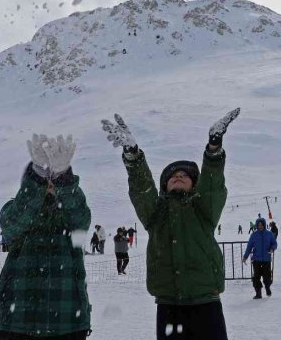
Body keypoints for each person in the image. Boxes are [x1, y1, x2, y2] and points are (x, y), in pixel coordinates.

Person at [102, 108, 239, 340]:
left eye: (184, 175)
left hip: (205, 301)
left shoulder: (203, 210)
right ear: (164, 186)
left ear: (194, 185)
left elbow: (212, 186)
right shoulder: (155, 214)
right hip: (168, 304)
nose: (178, 176)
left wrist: (214, 150)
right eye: (173, 176)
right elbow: (141, 190)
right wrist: (133, 157)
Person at [0, 134, 91, 339]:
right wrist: (37, 178)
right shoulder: (14, 210)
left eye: (54, 178)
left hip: (66, 321)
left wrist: (64, 177)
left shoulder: (70, 216)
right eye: (46, 179)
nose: (50, 183)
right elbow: (11, 226)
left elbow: (81, 219)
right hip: (15, 321)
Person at [243, 218, 277, 299]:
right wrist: (245, 256)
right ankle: (258, 293)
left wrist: (272, 248)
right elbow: (249, 246)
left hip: (266, 259)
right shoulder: (254, 235)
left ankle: (267, 287)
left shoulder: (269, 234)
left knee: (267, 276)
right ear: (257, 226)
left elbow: (274, 243)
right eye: (259, 225)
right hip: (256, 259)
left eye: (261, 225)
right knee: (256, 277)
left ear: (264, 225)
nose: (260, 226)